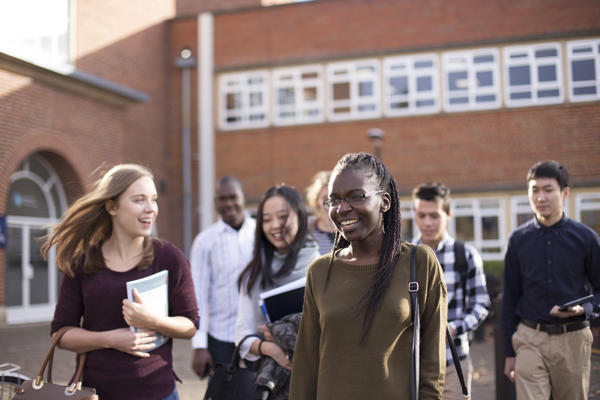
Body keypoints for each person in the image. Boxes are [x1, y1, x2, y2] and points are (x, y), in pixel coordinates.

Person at [290, 152, 448, 399]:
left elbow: (432, 366)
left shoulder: (419, 262)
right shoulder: (320, 272)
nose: (342, 208)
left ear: (385, 202)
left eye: (356, 197)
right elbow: (305, 367)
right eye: (334, 200)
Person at [42, 164, 199, 400]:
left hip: (159, 393)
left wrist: (153, 321)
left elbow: (190, 325)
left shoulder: (170, 257)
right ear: (111, 206)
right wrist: (110, 339)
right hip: (96, 394)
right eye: (139, 200)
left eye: (154, 200)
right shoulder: (82, 262)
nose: (151, 209)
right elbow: (60, 334)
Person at [501, 160, 600, 400]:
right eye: (535, 190)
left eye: (548, 190)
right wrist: (509, 353)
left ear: (565, 193)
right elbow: (510, 297)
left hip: (573, 340)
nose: (540, 197)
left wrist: (583, 309)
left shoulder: (586, 239)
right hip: (529, 338)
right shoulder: (517, 240)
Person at [234, 184, 320, 387]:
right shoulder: (254, 272)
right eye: (266, 220)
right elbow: (241, 333)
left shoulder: (319, 267)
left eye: (282, 217)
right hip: (269, 383)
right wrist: (269, 349)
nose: (274, 225)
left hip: (314, 378)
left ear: (300, 216)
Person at [412, 182, 490, 399]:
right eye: (422, 215)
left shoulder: (466, 255)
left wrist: (455, 328)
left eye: (434, 216)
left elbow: (481, 304)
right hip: (413, 365)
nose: (427, 222)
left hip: (454, 363)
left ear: (448, 214)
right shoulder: (404, 257)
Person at [190, 176, 256, 378]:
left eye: (233, 197)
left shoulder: (260, 233)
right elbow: (198, 294)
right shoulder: (204, 241)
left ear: (243, 198)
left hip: (257, 334)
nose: (228, 203)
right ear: (215, 202)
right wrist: (199, 346)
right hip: (220, 337)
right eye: (222, 198)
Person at [305, 170, 336, 255]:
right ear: (316, 200)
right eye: (325, 198)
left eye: (334, 198)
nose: (330, 204)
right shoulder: (304, 228)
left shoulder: (353, 230)